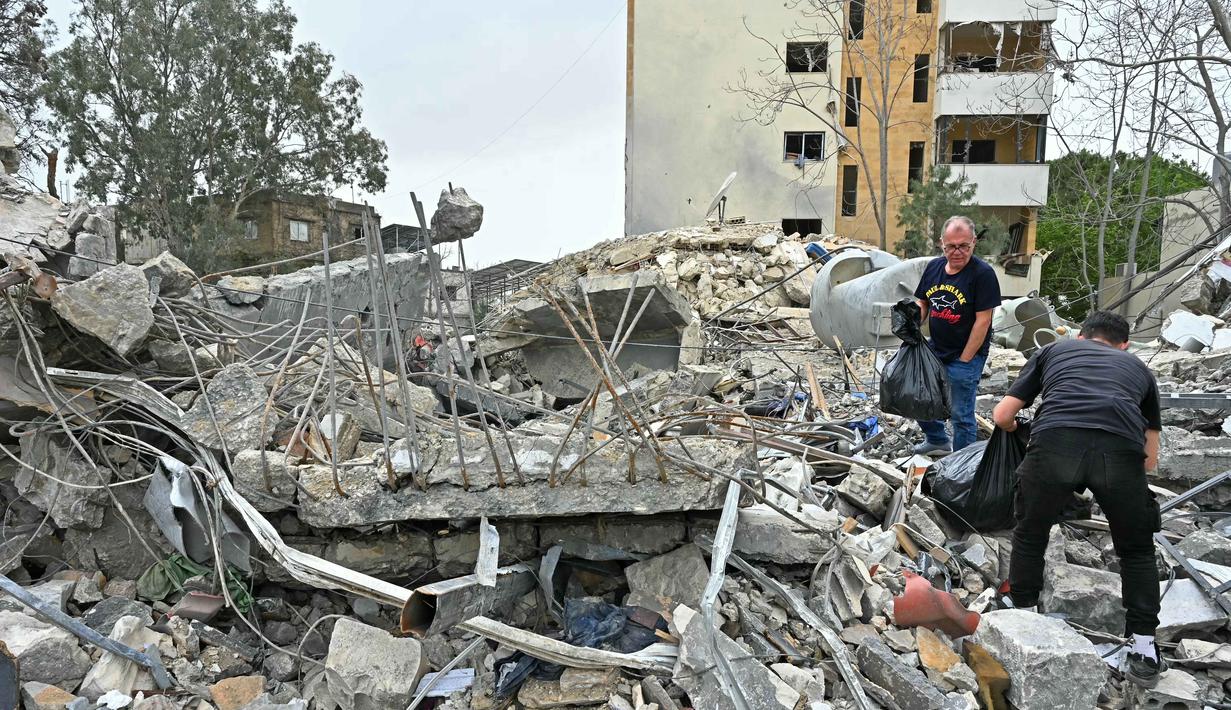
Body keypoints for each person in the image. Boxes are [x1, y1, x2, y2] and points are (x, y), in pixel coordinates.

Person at [992, 311, 1164, 689]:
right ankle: (1143, 648)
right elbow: (1150, 460)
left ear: (1081, 336)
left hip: (1056, 443)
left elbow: (1002, 415)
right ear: (1124, 346)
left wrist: (1021, 430)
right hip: (1119, 454)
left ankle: (1023, 614)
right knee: (1137, 551)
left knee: (1031, 533)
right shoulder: (1139, 369)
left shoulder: (1056, 350)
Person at [911, 215, 1001, 455]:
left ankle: (960, 465)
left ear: (974, 242)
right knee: (917, 396)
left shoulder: (983, 274)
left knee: (961, 415)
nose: (957, 252)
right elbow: (923, 302)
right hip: (936, 347)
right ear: (942, 243)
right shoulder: (934, 267)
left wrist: (965, 359)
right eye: (951, 246)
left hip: (966, 353)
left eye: (964, 246)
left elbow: (983, 321)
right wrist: (912, 323)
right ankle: (937, 440)